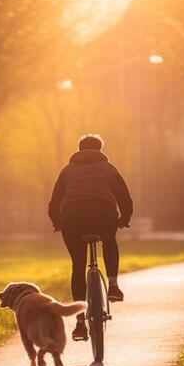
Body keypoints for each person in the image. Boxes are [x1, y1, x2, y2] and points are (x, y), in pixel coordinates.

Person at [48, 133, 133, 341]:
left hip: (72, 218)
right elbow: (124, 196)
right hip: (104, 214)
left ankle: (79, 323)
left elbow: (54, 201)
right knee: (109, 241)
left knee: (78, 265)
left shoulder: (67, 170)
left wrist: (57, 222)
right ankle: (113, 285)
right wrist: (125, 218)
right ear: (100, 150)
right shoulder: (108, 168)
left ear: (79, 149)